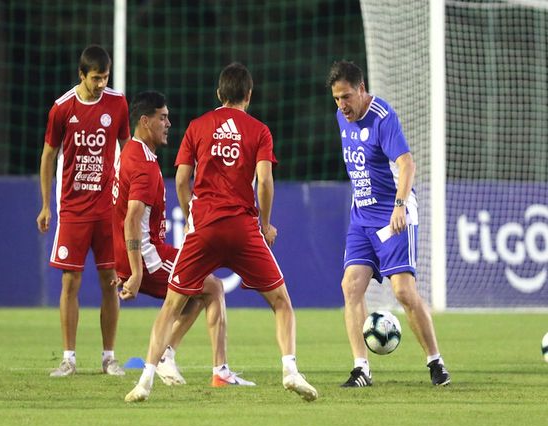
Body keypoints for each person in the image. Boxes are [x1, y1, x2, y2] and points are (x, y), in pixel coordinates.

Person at [123, 62, 318, 403]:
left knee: (172, 305)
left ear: (218, 93)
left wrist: (192, 214)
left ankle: (145, 381)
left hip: (205, 229)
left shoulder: (198, 126)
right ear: (249, 95)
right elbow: (266, 181)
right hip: (243, 229)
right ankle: (290, 370)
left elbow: (182, 179)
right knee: (281, 303)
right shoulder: (259, 130)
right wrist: (264, 223)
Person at [113, 90, 254, 387]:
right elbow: (131, 219)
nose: (169, 123)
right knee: (212, 287)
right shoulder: (141, 165)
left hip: (147, 251)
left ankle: (168, 356)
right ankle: (215, 370)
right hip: (148, 257)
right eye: (162, 118)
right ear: (145, 121)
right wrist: (136, 271)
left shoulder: (134, 153)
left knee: (202, 291)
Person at [327, 60, 451, 387]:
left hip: (394, 214)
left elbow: (407, 163)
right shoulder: (341, 117)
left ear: (362, 89)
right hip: (362, 217)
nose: (342, 104)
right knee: (350, 286)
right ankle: (361, 369)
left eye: (347, 96)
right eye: (337, 98)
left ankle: (435, 361)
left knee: (404, 291)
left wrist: (399, 206)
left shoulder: (383, 117)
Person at [36, 45, 130, 377]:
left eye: (105, 77)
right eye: (95, 78)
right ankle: (68, 358)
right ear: (81, 75)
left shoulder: (117, 104)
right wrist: (47, 204)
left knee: (110, 282)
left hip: (107, 210)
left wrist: (128, 199)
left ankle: (109, 357)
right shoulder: (62, 108)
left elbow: (126, 150)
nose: (101, 84)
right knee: (70, 282)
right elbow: (48, 156)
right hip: (73, 210)